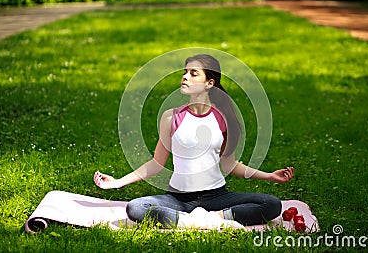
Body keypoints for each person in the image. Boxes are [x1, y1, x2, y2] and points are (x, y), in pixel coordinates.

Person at [94, 54, 294, 229]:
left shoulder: (222, 118)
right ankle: (192, 221)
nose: (184, 76)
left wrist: (269, 176)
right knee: (136, 208)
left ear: (210, 83)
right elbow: (156, 163)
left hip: (216, 197)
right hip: (178, 199)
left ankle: (214, 218)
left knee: (272, 204)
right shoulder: (170, 118)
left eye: (193, 73)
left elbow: (229, 164)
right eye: (184, 72)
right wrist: (118, 183)